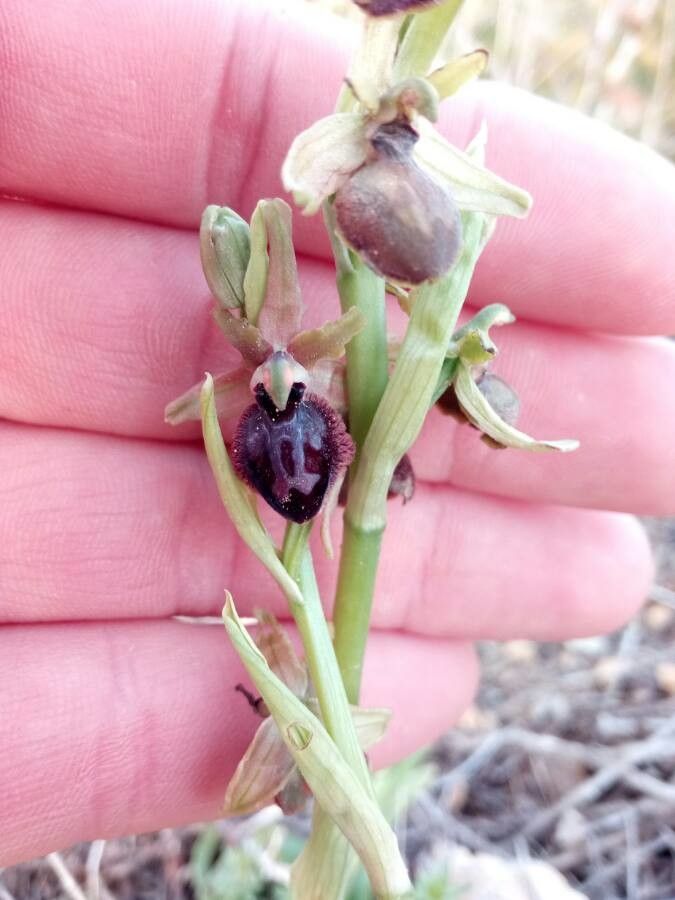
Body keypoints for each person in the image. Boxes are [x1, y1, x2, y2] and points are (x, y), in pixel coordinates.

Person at [1, 0, 674, 868]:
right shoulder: (292, 343)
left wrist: (429, 352)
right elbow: (299, 194)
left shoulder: (381, 220)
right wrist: (251, 387)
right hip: (311, 397)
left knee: (372, 442)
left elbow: (438, 225)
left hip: (355, 351)